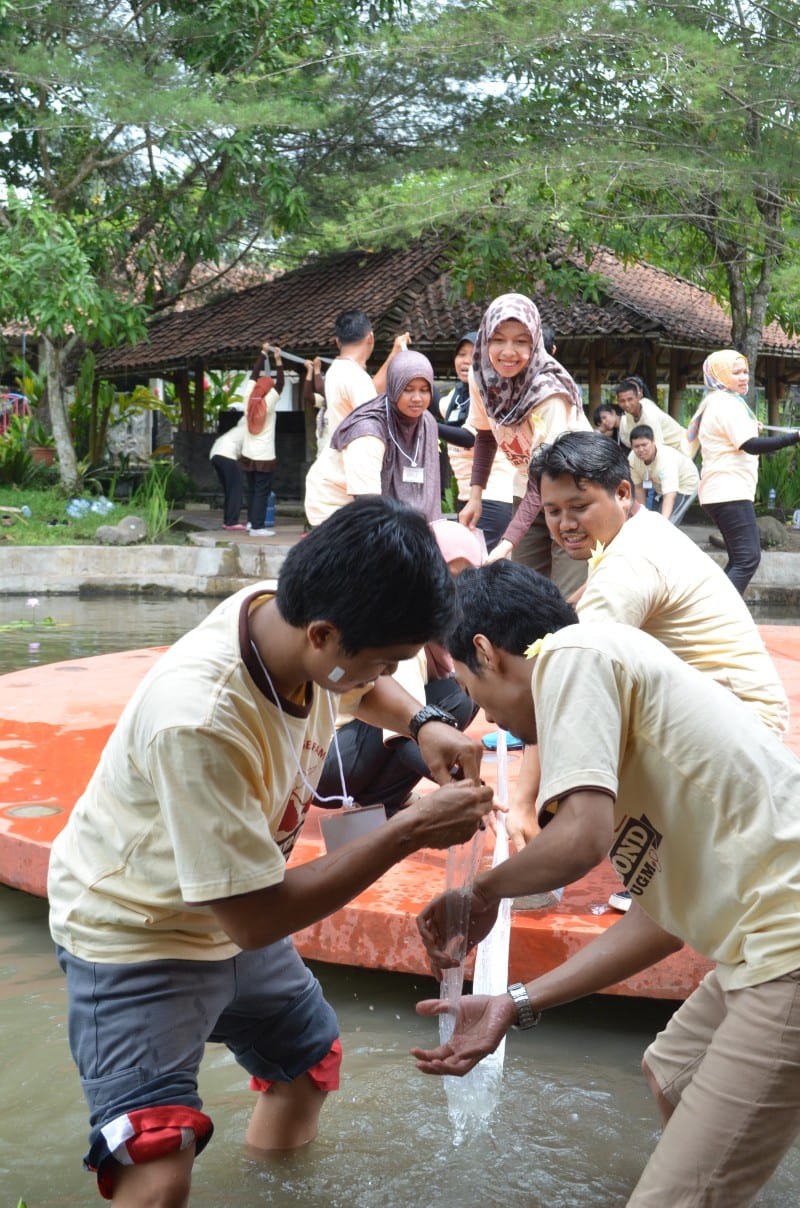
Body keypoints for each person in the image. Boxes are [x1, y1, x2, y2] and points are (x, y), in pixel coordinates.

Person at [48, 496, 492, 1203]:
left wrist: (424, 721)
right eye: (387, 659)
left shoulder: (279, 615)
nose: (387, 673)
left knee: (306, 1062)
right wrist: (408, 831)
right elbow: (254, 921)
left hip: (230, 904)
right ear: (322, 636)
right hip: (137, 932)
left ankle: (271, 1191)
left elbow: (361, 687)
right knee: (156, 1169)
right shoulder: (200, 719)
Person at [412, 559, 800, 1207]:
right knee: (671, 1073)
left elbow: (581, 837)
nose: (490, 720)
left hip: (787, 947)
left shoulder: (574, 652)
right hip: (762, 941)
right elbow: (660, 919)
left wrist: (481, 892)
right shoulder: (617, 727)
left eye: (478, 699)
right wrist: (514, 1002)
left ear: (485, 651)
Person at [506, 430, 788, 852]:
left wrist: (524, 802)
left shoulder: (629, 562)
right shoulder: (639, 529)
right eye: (552, 511)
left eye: (579, 507)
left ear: (622, 492)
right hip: (734, 721)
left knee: (585, 704)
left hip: (739, 735)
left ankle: (649, 847)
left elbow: (563, 680)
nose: (565, 524)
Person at [315, 519, 483, 817]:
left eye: (463, 580)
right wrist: (465, 786)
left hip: (352, 754)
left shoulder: (440, 637)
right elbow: (405, 737)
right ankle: (382, 800)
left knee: (462, 696)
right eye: (446, 578)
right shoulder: (402, 627)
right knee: (455, 701)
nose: (453, 592)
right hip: (327, 764)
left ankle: (383, 799)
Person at [460, 292, 591, 596]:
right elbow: (485, 433)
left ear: (535, 343)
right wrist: (475, 496)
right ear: (485, 340)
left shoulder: (549, 392)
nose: (509, 352)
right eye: (498, 339)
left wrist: (507, 542)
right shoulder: (481, 377)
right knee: (526, 593)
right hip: (527, 494)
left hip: (575, 494)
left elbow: (546, 472)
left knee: (566, 597)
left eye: (521, 341)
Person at [689, 349, 800, 595]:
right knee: (748, 559)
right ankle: (718, 617)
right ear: (719, 375)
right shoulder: (725, 404)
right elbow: (749, 445)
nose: (743, 377)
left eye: (745, 372)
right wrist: (795, 437)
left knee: (739, 559)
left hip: (723, 492)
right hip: (728, 492)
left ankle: (714, 614)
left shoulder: (721, 401)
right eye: (735, 372)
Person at [304, 349, 442, 526]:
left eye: (424, 390)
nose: (417, 398)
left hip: (377, 505)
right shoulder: (369, 430)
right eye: (407, 389)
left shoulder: (426, 422)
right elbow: (367, 505)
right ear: (394, 387)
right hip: (335, 502)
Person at [438, 331, 514, 551]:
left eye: (473, 354)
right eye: (461, 354)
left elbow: (470, 438)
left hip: (493, 495)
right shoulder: (456, 397)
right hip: (467, 496)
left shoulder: (491, 395)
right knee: (471, 566)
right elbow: (431, 401)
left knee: (475, 565)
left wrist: (428, 425)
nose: (465, 361)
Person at [317, 309, 410, 448]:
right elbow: (373, 424)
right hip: (356, 461)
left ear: (338, 342)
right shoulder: (356, 377)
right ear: (371, 338)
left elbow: (370, 390)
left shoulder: (335, 370)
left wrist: (395, 352)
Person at [240, 341, 283, 536]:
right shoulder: (268, 402)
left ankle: (251, 522)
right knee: (261, 491)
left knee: (252, 490)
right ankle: (257, 527)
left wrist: (263, 354)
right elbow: (281, 384)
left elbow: (253, 375)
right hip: (264, 456)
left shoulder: (248, 398)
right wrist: (278, 361)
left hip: (248, 454)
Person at [628, 423, 699, 523]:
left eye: (644, 445)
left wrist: (664, 524)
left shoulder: (666, 460)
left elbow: (670, 495)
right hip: (659, 484)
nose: (640, 450)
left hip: (685, 485)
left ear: (653, 442)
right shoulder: (632, 458)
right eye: (636, 446)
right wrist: (641, 515)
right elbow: (639, 486)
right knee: (649, 520)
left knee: (669, 523)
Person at [615, 377, 692, 455]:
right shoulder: (628, 412)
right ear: (617, 401)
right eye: (622, 401)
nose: (627, 404)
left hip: (683, 446)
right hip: (669, 449)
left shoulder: (650, 415)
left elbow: (658, 448)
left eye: (630, 399)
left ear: (639, 396)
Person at [209, 413, 246, 530]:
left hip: (215, 454)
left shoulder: (239, 428)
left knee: (230, 489)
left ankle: (227, 521)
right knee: (236, 488)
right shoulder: (251, 430)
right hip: (227, 454)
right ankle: (231, 522)